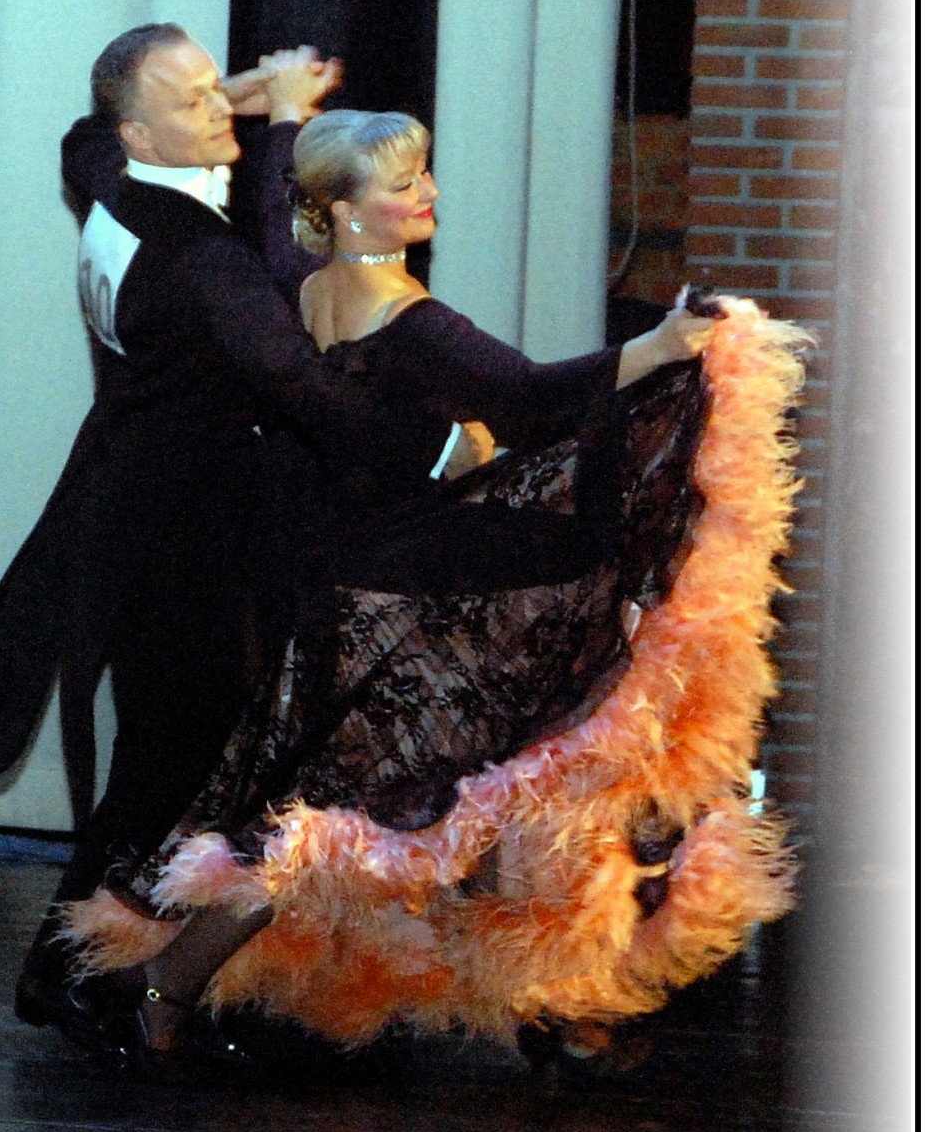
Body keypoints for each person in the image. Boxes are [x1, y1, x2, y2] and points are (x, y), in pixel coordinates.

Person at [58, 108, 718, 1073]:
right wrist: (661, 347)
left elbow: (279, 225)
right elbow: (530, 396)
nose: (428, 194)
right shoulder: (411, 320)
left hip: (343, 585)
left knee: (444, 799)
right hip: (399, 606)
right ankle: (160, 990)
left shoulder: (307, 282)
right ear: (349, 211)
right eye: (404, 185)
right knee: (358, 813)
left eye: (424, 175)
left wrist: (289, 120)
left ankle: (555, 1010)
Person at [0, 41, 471, 1043]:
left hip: (126, 510)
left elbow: (81, 131)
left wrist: (253, 100)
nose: (217, 108)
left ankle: (68, 968)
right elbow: (303, 386)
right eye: (191, 103)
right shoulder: (204, 261)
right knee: (171, 767)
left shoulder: (104, 176)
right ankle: (74, 970)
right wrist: (440, 447)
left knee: (160, 762)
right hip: (183, 544)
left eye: (215, 85)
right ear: (140, 132)